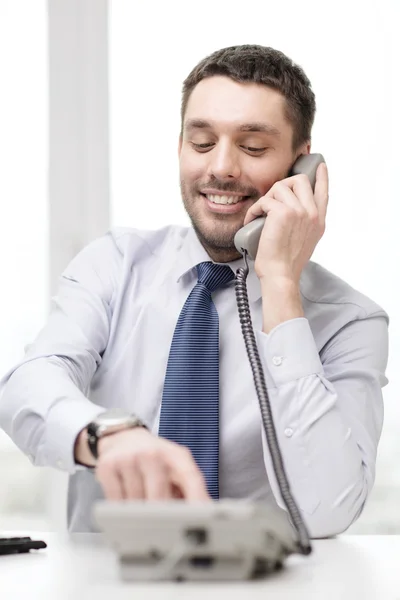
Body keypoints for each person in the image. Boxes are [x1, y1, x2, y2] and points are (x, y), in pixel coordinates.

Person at [0, 45, 389, 537]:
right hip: (110, 582)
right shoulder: (115, 264)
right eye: (202, 143)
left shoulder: (351, 321)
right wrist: (107, 436)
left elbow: (328, 511)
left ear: (300, 166)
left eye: (252, 148)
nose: (221, 168)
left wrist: (282, 287)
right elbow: (27, 385)